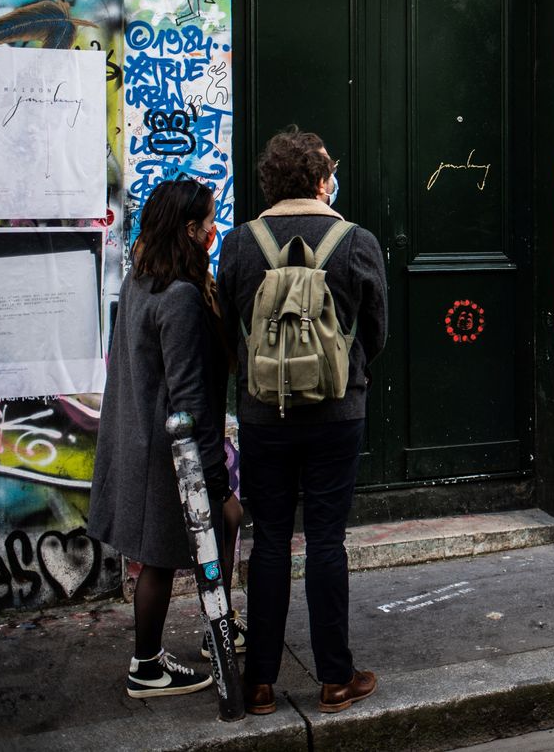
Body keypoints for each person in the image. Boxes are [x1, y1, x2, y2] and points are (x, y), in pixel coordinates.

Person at [217, 127, 387, 716]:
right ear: (321, 180)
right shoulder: (356, 240)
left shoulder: (240, 244)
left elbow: (227, 328)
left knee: (267, 541)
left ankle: (259, 683)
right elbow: (377, 331)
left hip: (264, 415)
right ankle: (335, 679)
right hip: (338, 412)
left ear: (270, 181)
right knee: (326, 540)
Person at [90, 177, 242, 698]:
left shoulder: (140, 281)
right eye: (207, 223)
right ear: (187, 230)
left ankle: (213, 631)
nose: (214, 230)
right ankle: (149, 665)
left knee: (182, 550)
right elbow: (189, 397)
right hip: (168, 457)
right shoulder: (178, 297)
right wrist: (215, 479)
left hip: (139, 443)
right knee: (165, 557)